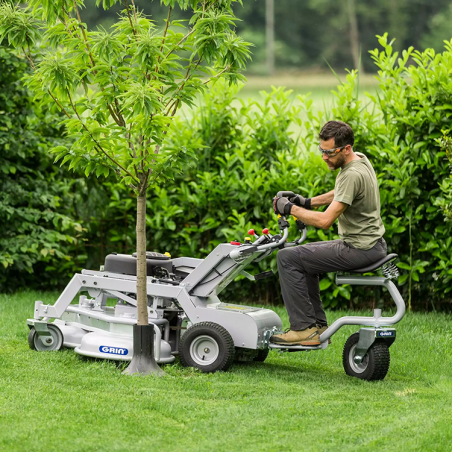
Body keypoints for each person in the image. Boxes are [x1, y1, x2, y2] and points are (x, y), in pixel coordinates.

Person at [271, 120, 387, 346]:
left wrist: (291, 208)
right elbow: (342, 192)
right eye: (321, 150)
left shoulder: (351, 173)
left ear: (346, 149)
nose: (324, 156)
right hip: (373, 244)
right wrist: (308, 201)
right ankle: (316, 325)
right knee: (302, 258)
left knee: (287, 257)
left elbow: (325, 221)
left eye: (329, 152)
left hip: (360, 249)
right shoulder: (359, 160)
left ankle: (304, 329)